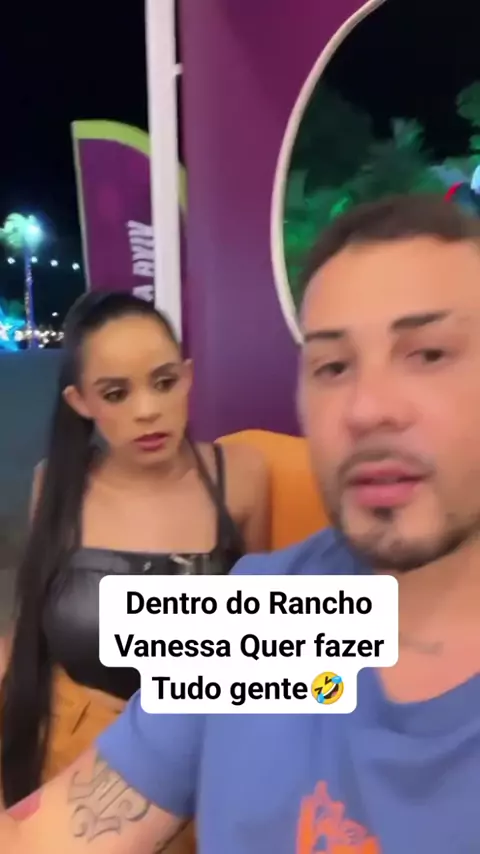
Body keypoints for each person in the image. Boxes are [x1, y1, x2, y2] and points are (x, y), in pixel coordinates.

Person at [1, 192, 480, 853]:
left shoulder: (237, 480)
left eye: (428, 354)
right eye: (332, 366)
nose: (367, 408)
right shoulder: (272, 617)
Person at [0, 291, 270, 844]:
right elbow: (28, 629)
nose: (147, 410)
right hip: (72, 754)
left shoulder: (242, 476)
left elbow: (264, 638)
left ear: (188, 377)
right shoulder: (55, 483)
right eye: (116, 394)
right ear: (80, 401)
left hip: (200, 762)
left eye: (164, 382)